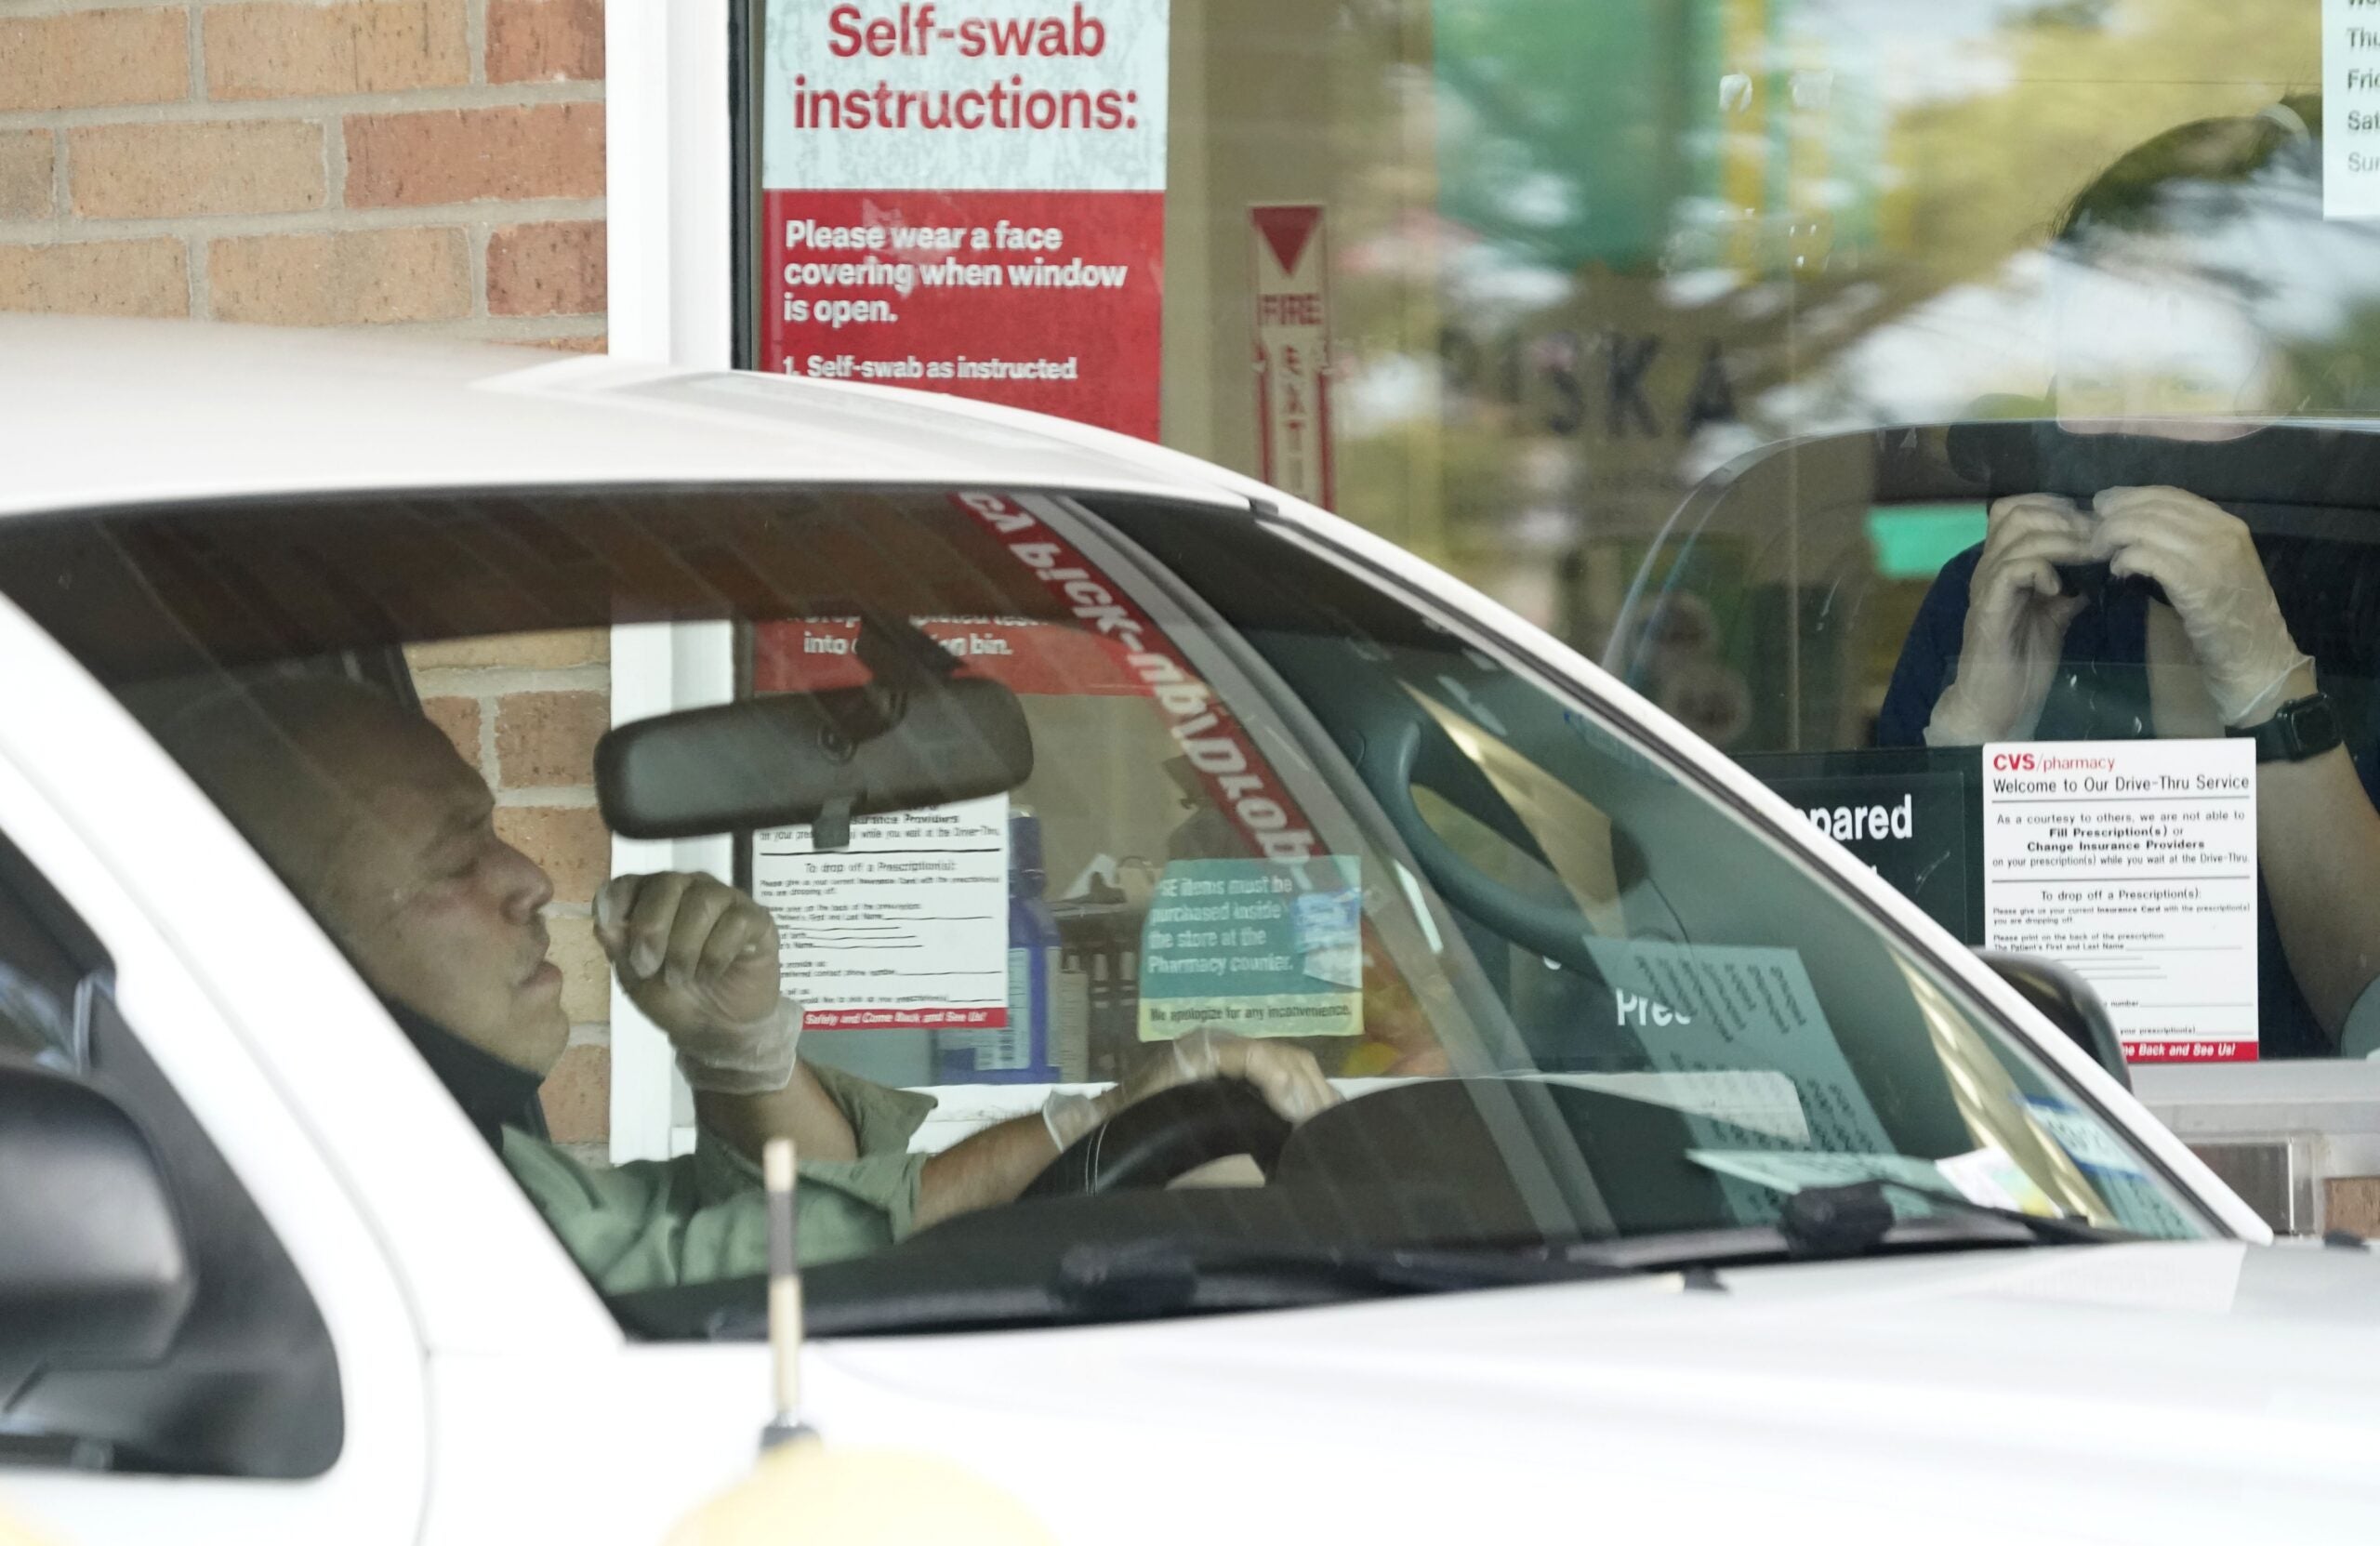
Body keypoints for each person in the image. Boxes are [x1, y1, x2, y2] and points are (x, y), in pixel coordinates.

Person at [163, 677, 1340, 1292]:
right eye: (450, 856)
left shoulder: (453, 1148)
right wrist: (1096, 1119)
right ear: (284, 937)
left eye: (495, 831)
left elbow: (741, 1227)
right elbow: (729, 1273)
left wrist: (740, 1054)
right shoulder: (335, 1188)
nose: (527, 877)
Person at [1876, 98, 2380, 1055]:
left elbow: (2374, 1027)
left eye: (2190, 377)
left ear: (2317, 407)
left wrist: (2270, 689)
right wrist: (1969, 739)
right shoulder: (1992, 604)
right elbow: (1892, 1024)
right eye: (2095, 370)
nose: (2129, 422)